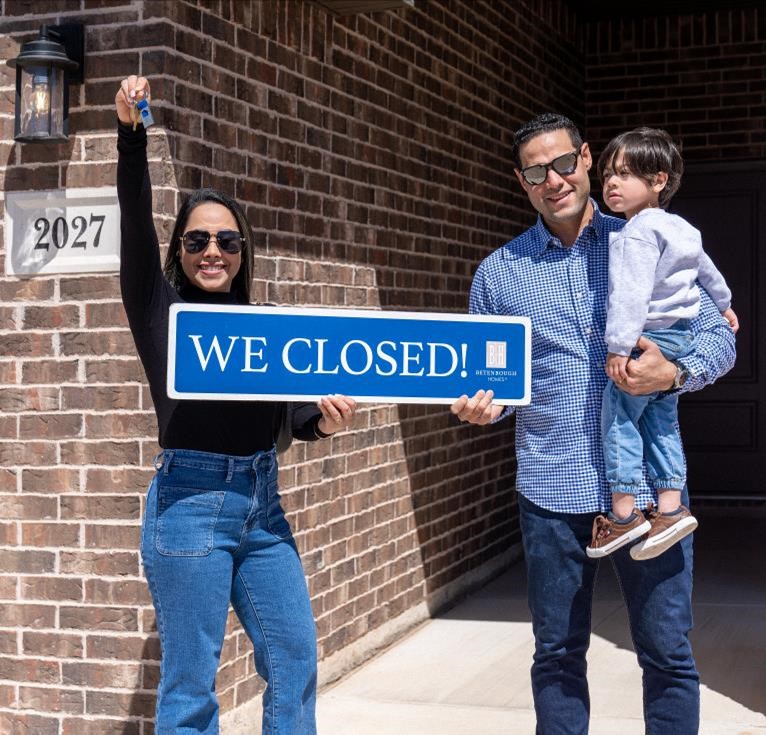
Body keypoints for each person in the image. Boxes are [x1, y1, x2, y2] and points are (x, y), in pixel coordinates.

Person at [451, 112, 735, 734]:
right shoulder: (498, 274)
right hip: (552, 492)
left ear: (585, 159)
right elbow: (492, 384)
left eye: (561, 163)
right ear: (520, 180)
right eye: (534, 171)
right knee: (556, 656)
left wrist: (675, 373)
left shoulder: (649, 237)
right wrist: (483, 408)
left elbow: (718, 335)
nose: (552, 180)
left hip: (652, 502)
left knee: (668, 654)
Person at [116, 75, 356, 735]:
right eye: (197, 240)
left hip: (262, 506)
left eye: (226, 240)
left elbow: (293, 410)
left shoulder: (265, 323)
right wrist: (131, 138)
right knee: (192, 686)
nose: (213, 251)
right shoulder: (157, 307)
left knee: (295, 656)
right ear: (179, 252)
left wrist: (324, 419)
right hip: (188, 506)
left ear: (242, 251)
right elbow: (135, 221)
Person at [587, 127, 738, 561]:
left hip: (642, 340)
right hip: (678, 337)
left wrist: (618, 348)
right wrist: (725, 307)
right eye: (609, 174)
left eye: (627, 175)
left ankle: (623, 515)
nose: (612, 184)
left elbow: (630, 295)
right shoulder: (682, 228)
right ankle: (670, 508)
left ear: (659, 181)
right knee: (661, 422)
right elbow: (709, 275)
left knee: (619, 419)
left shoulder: (636, 232)